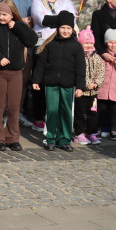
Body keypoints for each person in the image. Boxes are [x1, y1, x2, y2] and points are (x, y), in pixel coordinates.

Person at [0, 0, 38, 151]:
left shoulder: (18, 27)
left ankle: (12, 138)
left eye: (5, 14)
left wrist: (19, 27)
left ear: (12, 14)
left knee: (14, 107)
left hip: (16, 72)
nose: (1, 17)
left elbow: (32, 40)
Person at [32, 12, 85, 152]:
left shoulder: (76, 47)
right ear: (57, 28)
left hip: (68, 85)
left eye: (68, 28)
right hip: (51, 84)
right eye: (62, 28)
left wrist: (80, 86)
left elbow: (81, 69)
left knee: (66, 112)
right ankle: (50, 138)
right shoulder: (50, 45)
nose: (65, 31)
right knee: (52, 111)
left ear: (73, 29)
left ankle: (65, 139)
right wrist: (36, 80)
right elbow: (41, 65)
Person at [74, 28, 106, 146]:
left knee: (93, 113)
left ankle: (92, 132)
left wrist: (96, 83)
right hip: (82, 92)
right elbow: (78, 72)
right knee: (80, 113)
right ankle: (79, 133)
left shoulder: (97, 58)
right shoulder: (78, 57)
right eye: (86, 43)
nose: (88, 45)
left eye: (91, 43)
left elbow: (101, 72)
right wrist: (86, 85)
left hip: (93, 93)